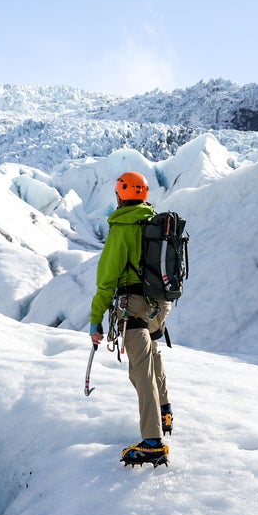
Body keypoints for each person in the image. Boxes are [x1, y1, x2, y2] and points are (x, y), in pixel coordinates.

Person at [90, 171, 174, 466]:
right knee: (151, 354)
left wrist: (95, 320)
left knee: (140, 371)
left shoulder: (123, 227)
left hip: (135, 306)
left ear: (121, 195)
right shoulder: (153, 222)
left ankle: (152, 442)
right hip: (160, 306)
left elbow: (106, 279)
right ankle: (164, 411)